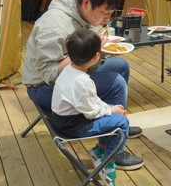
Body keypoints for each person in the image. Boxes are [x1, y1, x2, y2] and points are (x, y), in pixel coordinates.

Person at [22, 0, 144, 170]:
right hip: (43, 88)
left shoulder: (80, 11)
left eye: (111, 13)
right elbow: (48, 74)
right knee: (115, 82)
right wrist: (87, 49)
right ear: (86, 2)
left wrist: (94, 47)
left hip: (70, 75)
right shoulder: (54, 25)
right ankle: (112, 150)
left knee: (121, 66)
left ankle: (115, 124)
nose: (107, 19)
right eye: (105, 13)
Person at [51, 29, 135, 185]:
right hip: (73, 125)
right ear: (97, 56)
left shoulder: (69, 70)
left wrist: (109, 108)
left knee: (113, 111)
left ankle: (100, 150)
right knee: (123, 122)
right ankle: (108, 162)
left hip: (62, 119)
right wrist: (112, 110)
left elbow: (92, 101)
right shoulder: (82, 81)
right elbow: (91, 113)